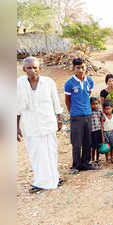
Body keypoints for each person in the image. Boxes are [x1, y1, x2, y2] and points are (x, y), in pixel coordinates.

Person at [17, 56, 64, 193]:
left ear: (40, 68)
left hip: (48, 123)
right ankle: (41, 182)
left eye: (35, 67)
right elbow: (16, 107)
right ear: (24, 69)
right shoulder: (19, 83)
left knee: (51, 151)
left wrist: (59, 118)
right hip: (30, 125)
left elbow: (56, 101)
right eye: (29, 68)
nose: (32, 70)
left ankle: (54, 178)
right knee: (36, 153)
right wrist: (16, 127)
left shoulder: (48, 82)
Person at [65, 58, 96, 172]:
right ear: (74, 68)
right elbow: (67, 101)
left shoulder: (90, 81)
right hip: (76, 116)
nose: (81, 70)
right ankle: (76, 165)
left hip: (87, 114)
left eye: (82, 67)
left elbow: (88, 94)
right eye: (78, 68)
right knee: (76, 142)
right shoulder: (69, 83)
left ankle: (86, 163)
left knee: (87, 141)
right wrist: (73, 112)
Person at [90, 97, 102, 164]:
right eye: (93, 104)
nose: (95, 105)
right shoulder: (89, 112)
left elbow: (102, 119)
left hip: (99, 130)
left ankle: (97, 159)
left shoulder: (99, 111)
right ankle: (92, 159)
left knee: (98, 146)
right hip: (92, 131)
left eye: (96, 104)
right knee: (93, 147)